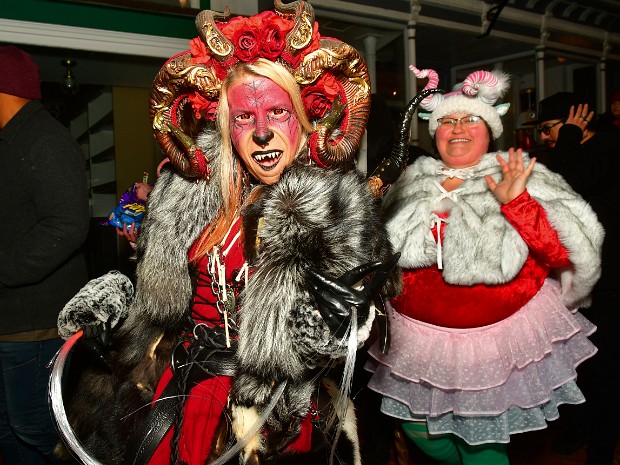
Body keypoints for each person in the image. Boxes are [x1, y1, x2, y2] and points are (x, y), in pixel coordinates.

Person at [54, 3, 402, 465]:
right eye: (244, 117)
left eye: (277, 112)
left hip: (276, 407)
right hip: (183, 388)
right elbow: (163, 305)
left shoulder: (339, 205)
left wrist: (335, 326)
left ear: (301, 119)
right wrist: (119, 312)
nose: (261, 132)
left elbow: (364, 313)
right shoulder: (187, 192)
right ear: (226, 125)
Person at [365, 68, 604, 465]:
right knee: (416, 427)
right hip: (417, 341)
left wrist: (518, 203)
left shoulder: (521, 172)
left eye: (470, 119)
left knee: (482, 445)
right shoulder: (408, 182)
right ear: (434, 131)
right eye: (447, 120)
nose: (457, 128)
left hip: (490, 345)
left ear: (490, 129)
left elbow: (566, 252)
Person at [0, 46, 90, 464]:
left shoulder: (43, 139)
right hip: (12, 324)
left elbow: (67, 225)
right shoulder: (12, 141)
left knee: (38, 432)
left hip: (36, 329)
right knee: (9, 430)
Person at [534, 91, 620, 465]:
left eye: (550, 129)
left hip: (612, 281)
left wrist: (568, 136)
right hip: (580, 279)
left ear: (576, 121)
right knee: (577, 362)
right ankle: (583, 428)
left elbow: (569, 183)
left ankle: (601, 451)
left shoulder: (613, 143)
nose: (544, 138)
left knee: (605, 368)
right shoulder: (571, 151)